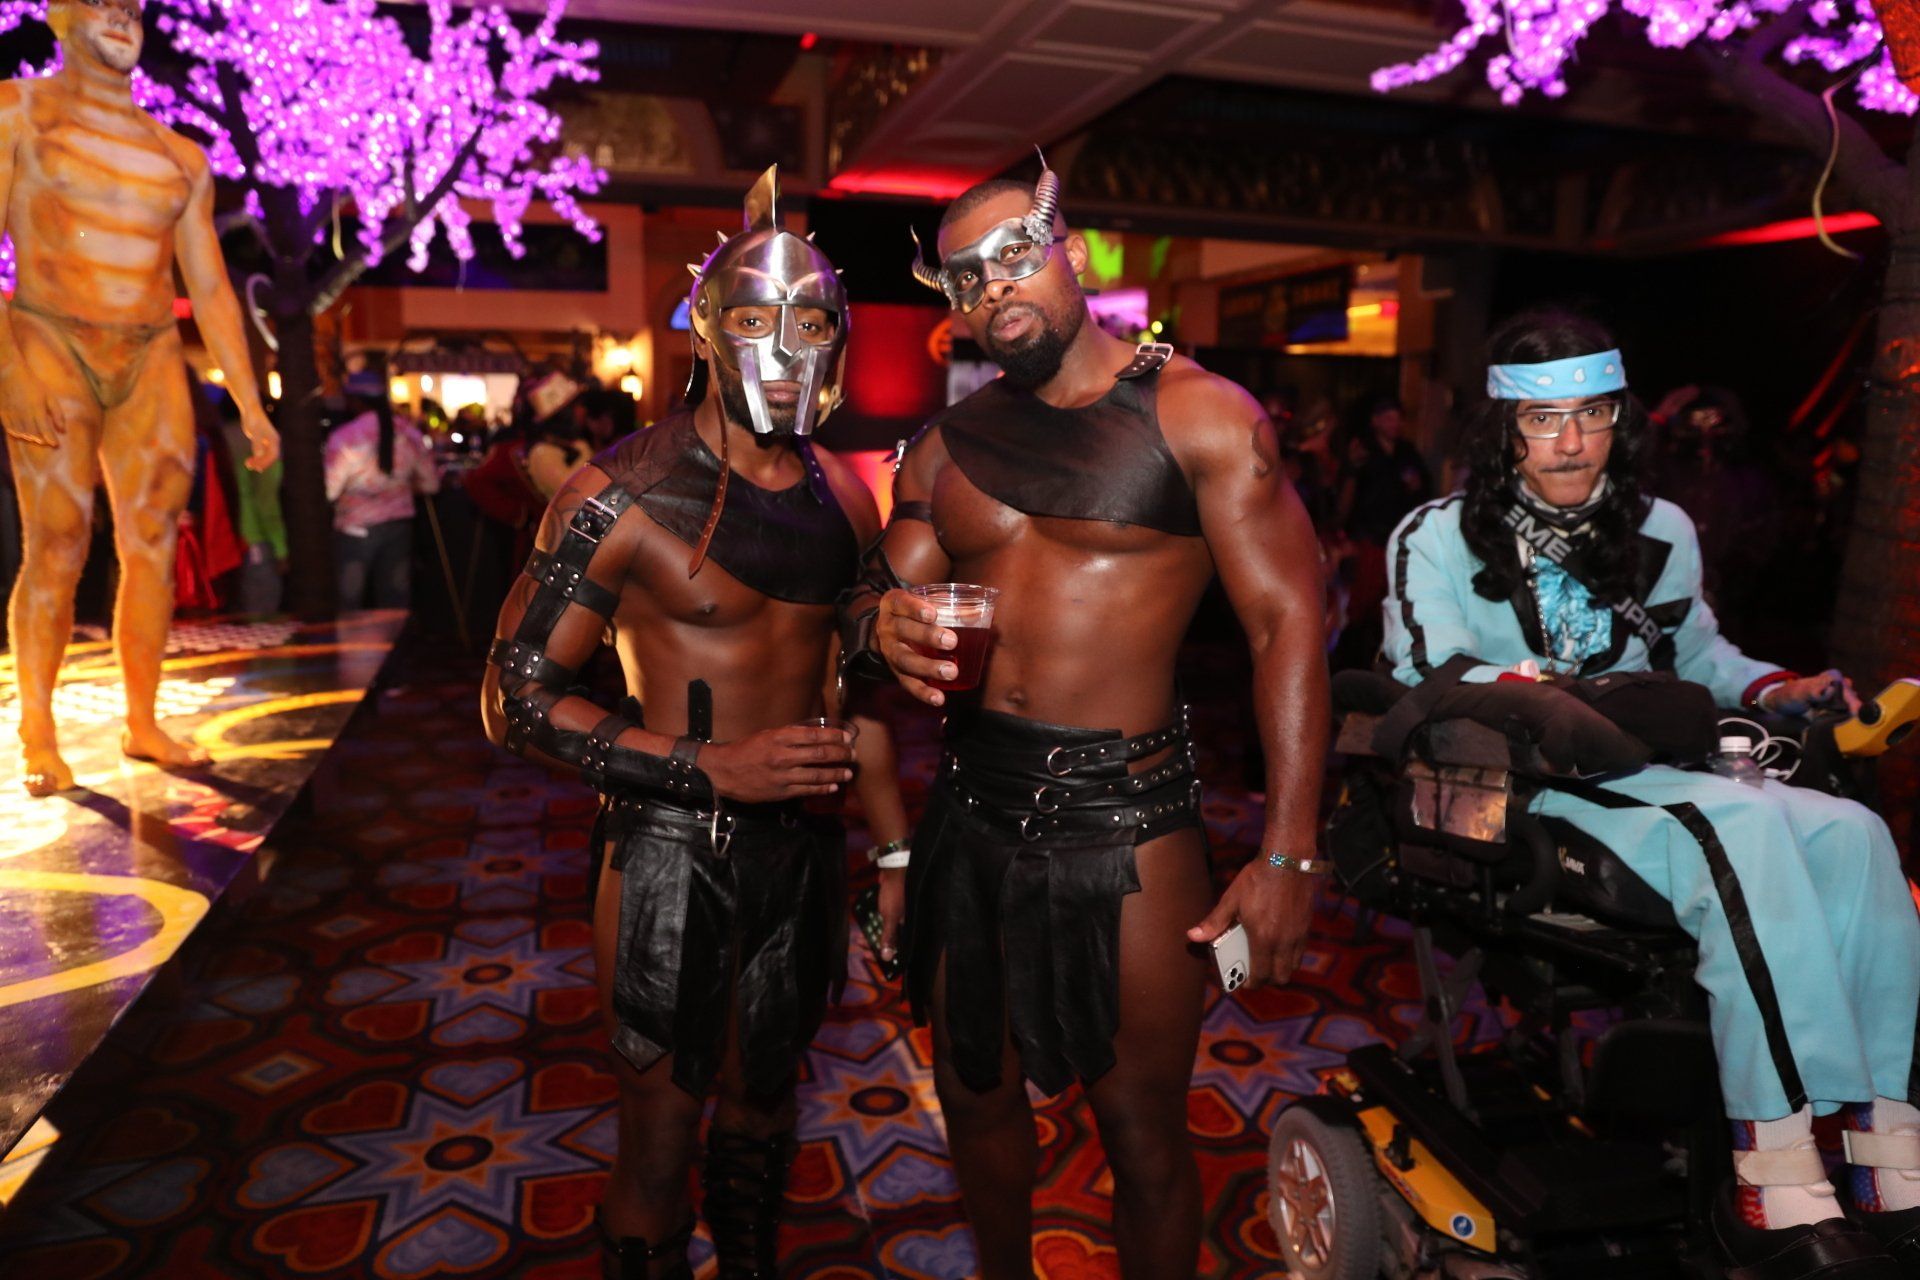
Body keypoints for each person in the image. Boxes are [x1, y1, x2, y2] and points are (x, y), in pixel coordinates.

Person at [846, 156, 1330, 1278]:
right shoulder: (946, 447)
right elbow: (871, 597)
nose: (992, 287)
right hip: (972, 807)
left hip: (1131, 820)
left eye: (1016, 252)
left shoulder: (1201, 414)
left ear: (1075, 251)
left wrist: (1290, 853)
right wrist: (877, 629)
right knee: (973, 1095)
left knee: (1147, 1131)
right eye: (963, 278)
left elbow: (1286, 625)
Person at [1383, 307, 1920, 1280]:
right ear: (1504, 429)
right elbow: (1427, 671)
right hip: (1522, 779)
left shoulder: (1659, 528)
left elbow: (1699, 654)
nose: (1571, 440)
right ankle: (1775, 1176)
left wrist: (1773, 688)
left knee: (1857, 836)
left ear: (1619, 421)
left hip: (1660, 762)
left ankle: (1876, 1152)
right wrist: (1555, 701)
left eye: (1591, 415)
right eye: (1544, 421)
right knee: (1748, 821)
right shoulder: (1438, 534)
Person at [480, 167, 877, 1280]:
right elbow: (511, 698)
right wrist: (712, 767)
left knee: (764, 1104)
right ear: (706, 329)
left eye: (811, 321)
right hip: (665, 853)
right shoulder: (622, 493)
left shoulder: (844, 492)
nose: (785, 343)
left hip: (803, 848)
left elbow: (853, 669)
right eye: (755, 317)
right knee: (660, 1132)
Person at [0, 0, 278, 794]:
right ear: (59, 16)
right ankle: (38, 731)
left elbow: (213, 289)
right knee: (56, 540)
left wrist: (252, 404)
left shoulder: (181, 156)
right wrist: (10, 374)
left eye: (132, 6)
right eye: (102, 1)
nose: (122, 15)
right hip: (49, 336)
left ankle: (144, 721)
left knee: (154, 537)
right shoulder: (17, 111)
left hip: (151, 351)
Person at [324, 368, 440, 610]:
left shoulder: (346, 437)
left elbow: (330, 491)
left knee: (349, 603)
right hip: (398, 528)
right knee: (394, 603)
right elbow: (431, 483)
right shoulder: (409, 434)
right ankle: (395, 648)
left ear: (354, 400)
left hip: (355, 530)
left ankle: (352, 647)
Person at [1335, 394, 1431, 669]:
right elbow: (1345, 494)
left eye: (1398, 418)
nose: (1395, 424)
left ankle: (1383, 660)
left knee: (1391, 602)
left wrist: (1416, 487)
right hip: (1369, 536)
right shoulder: (1362, 451)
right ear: (1375, 421)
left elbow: (1423, 490)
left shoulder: (1407, 453)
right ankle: (1348, 662)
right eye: (1388, 418)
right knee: (1361, 604)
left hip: (1398, 537)